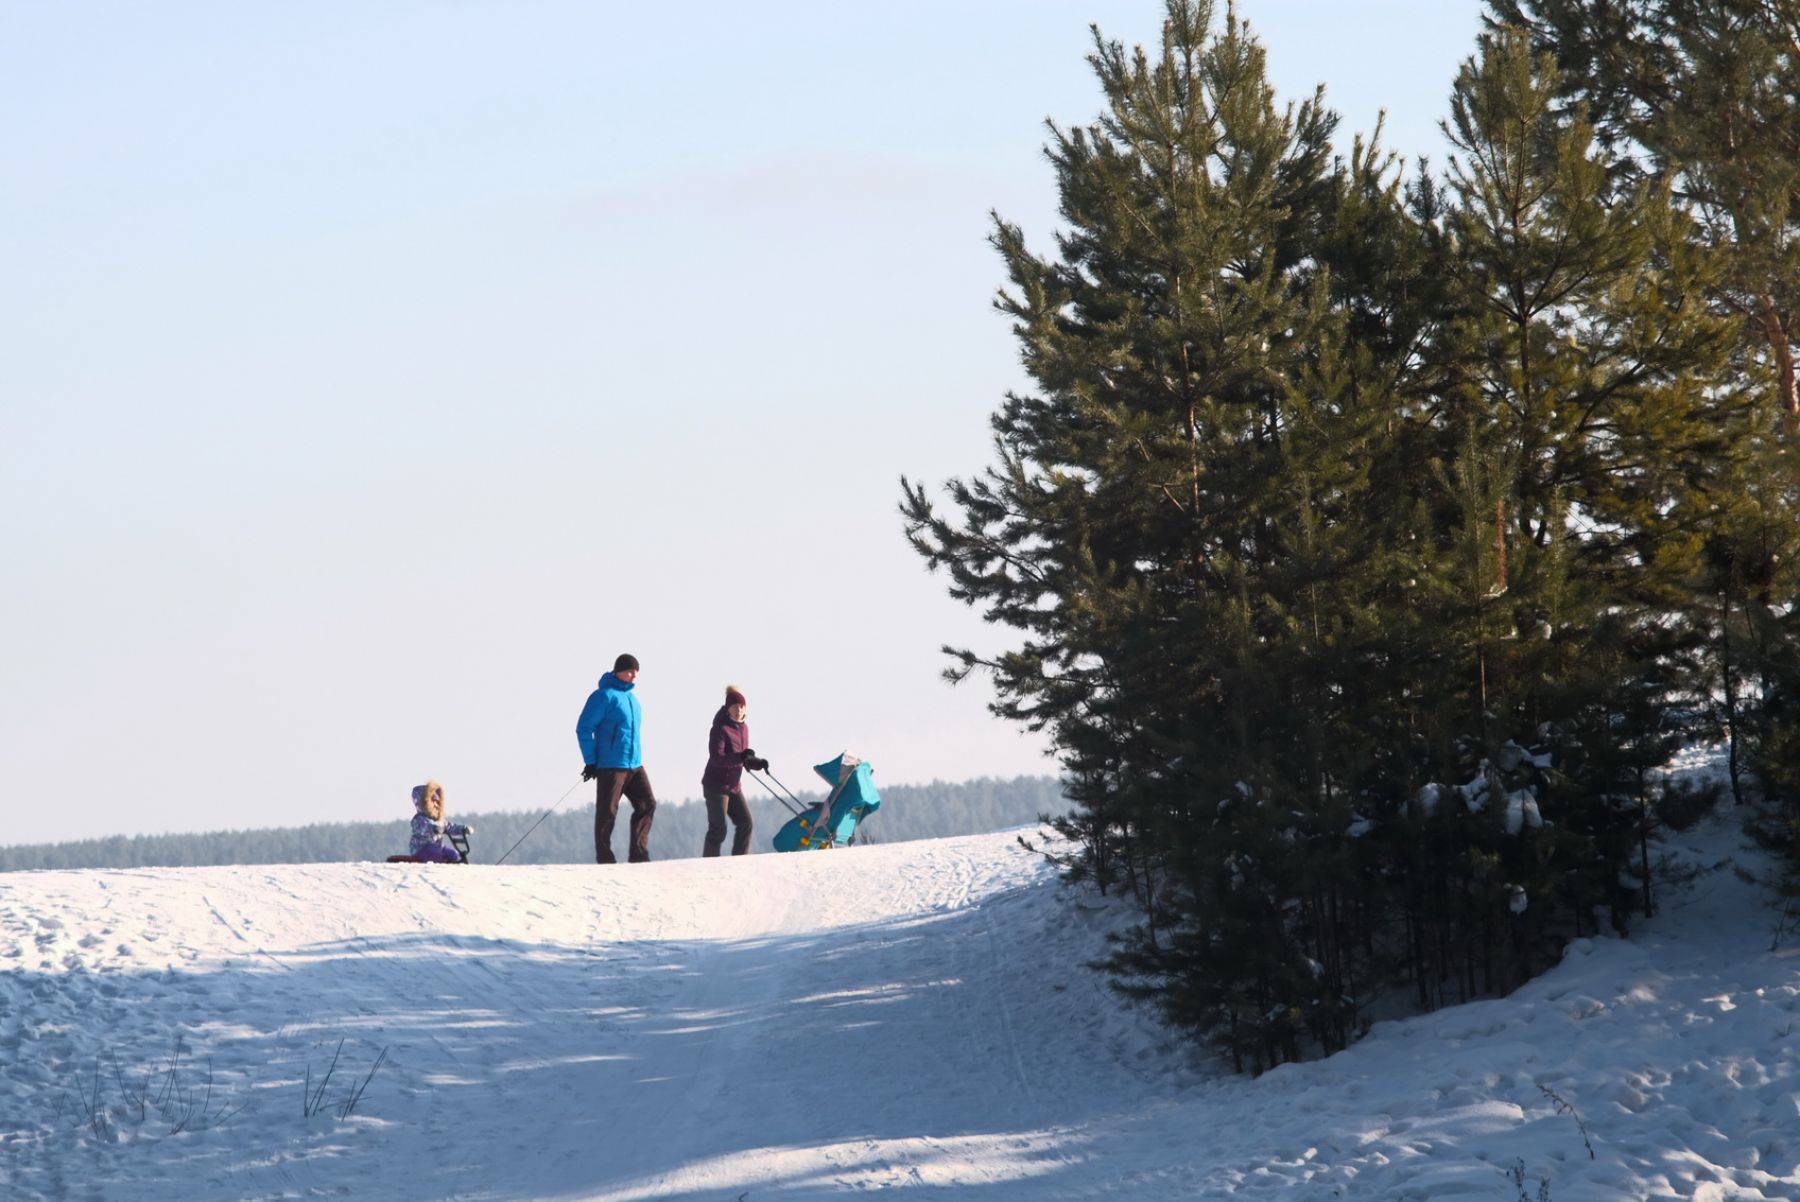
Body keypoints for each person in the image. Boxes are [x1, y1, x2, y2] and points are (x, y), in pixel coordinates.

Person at [575, 653, 657, 864]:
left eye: (636, 673)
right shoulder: (604, 696)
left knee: (647, 804)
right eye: (630, 671)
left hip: (634, 764)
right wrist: (591, 761)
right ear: (618, 671)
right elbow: (584, 728)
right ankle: (605, 859)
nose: (633, 676)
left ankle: (639, 854)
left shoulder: (633, 700)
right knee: (607, 814)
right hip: (611, 765)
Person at [701, 684, 769, 857]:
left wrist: (757, 763)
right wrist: (741, 757)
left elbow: (742, 758)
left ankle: (740, 861)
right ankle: (709, 864)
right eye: (734, 706)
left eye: (741, 706)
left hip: (733, 785)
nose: (738, 709)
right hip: (716, 786)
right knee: (718, 830)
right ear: (728, 709)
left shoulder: (744, 728)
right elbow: (717, 758)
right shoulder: (720, 729)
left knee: (746, 822)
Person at [409, 780, 472, 863]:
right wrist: (433, 828)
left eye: (437, 802)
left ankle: (455, 868)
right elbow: (423, 828)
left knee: (453, 854)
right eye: (433, 801)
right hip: (421, 849)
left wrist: (462, 829)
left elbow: (449, 826)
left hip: (437, 847)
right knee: (436, 853)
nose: (435, 804)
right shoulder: (419, 819)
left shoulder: (438, 820)